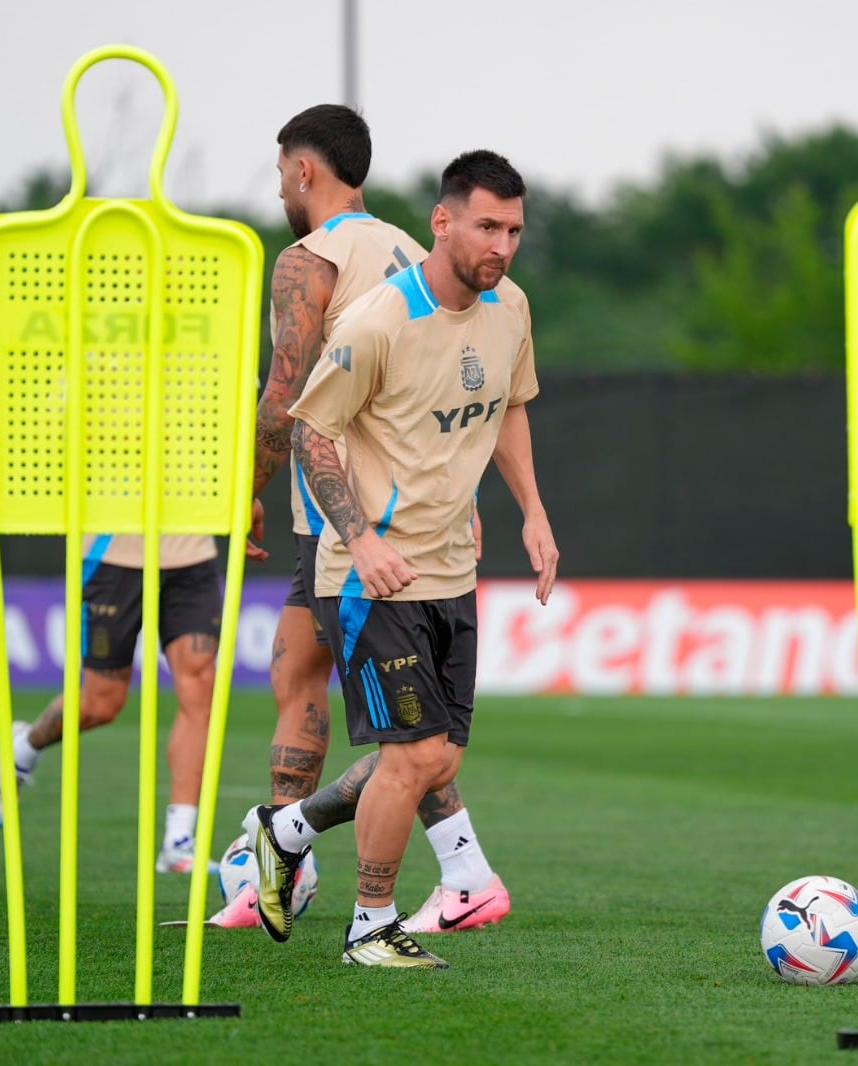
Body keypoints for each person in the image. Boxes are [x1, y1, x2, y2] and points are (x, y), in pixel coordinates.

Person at [249, 149, 559, 968]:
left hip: (454, 567)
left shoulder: (511, 309)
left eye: (516, 230)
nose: (502, 245)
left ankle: (286, 831)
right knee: (414, 756)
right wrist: (362, 538)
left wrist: (533, 513)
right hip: (370, 576)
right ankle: (369, 926)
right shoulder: (379, 321)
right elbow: (313, 433)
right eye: (488, 226)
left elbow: (511, 408)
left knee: (437, 759)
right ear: (444, 221)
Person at [0, 532, 225, 874]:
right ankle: (22, 748)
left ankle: (179, 840)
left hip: (190, 549)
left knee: (201, 686)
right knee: (101, 703)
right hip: (114, 551)